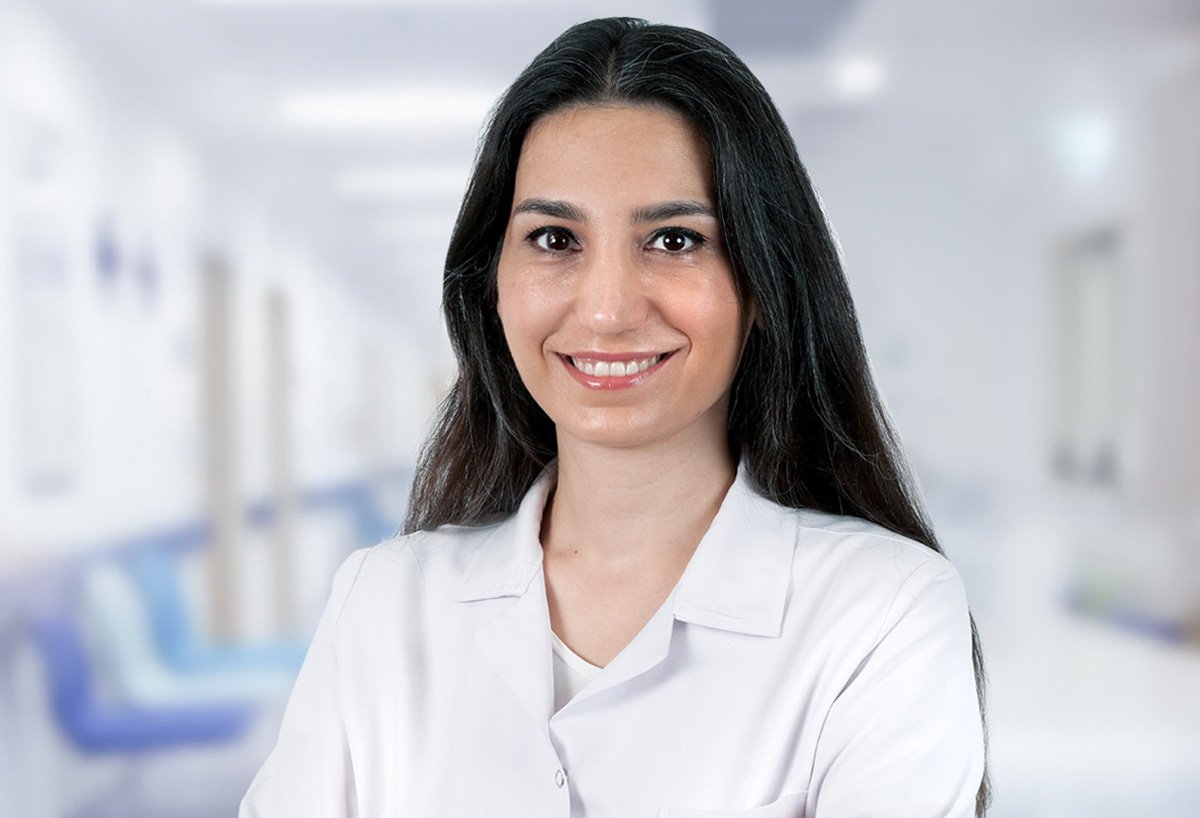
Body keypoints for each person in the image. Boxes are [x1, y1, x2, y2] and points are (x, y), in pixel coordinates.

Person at [241, 17, 989, 818]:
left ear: (764, 283)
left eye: (674, 240)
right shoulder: (385, 603)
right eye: (554, 238)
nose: (606, 310)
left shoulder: (881, 614)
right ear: (491, 285)